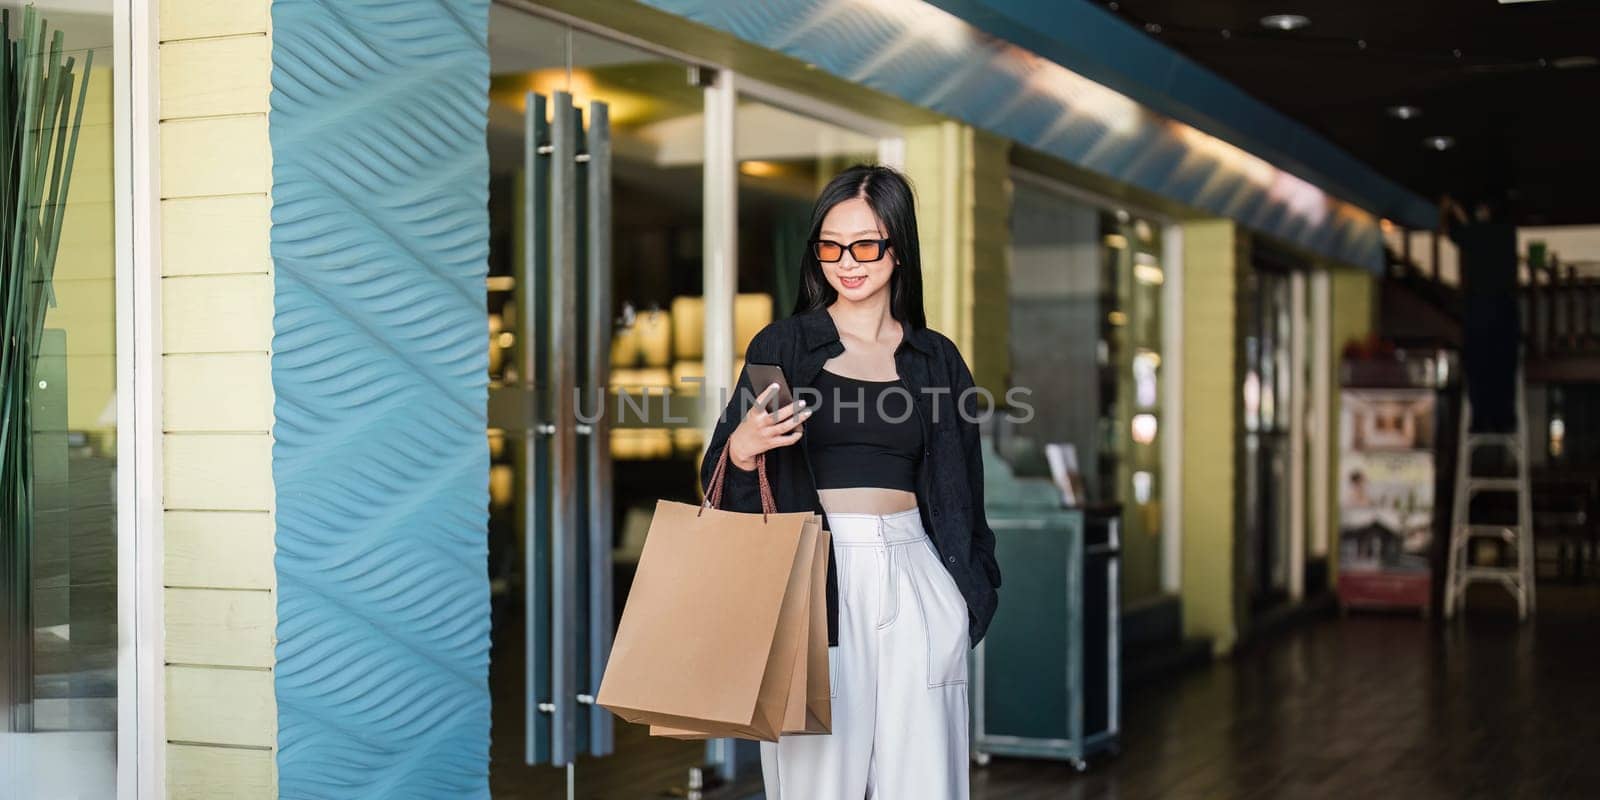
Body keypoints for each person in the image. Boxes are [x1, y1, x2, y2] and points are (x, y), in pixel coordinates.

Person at [701, 164, 1001, 799]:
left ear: (898, 248)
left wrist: (967, 599)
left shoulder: (936, 358)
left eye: (866, 244)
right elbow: (722, 481)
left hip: (917, 575)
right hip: (812, 578)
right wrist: (745, 448)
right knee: (816, 786)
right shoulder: (782, 346)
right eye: (831, 246)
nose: (848, 262)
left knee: (924, 785)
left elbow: (965, 497)